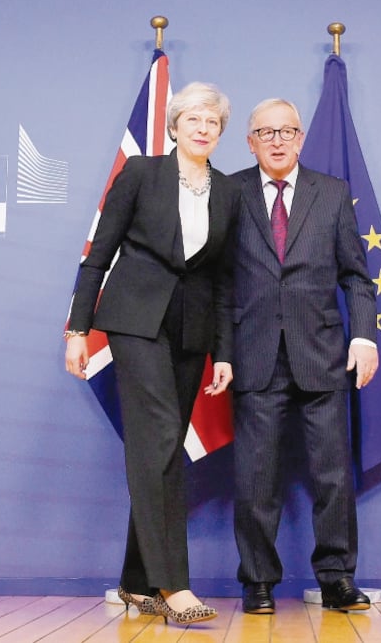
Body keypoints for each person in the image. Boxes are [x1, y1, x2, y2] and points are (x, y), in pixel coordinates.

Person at [64, 82, 239, 626]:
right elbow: (99, 254)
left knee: (160, 448)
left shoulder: (229, 191)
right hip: (133, 323)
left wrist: (224, 353)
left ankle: (136, 582)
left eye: (212, 121)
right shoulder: (142, 173)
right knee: (159, 439)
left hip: (192, 333)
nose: (203, 128)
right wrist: (77, 329)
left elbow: (223, 280)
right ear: (175, 124)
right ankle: (174, 585)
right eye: (194, 118)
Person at [227, 98, 378, 614]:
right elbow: (219, 283)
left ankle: (337, 578)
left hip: (323, 354)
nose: (276, 140)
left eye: (287, 130)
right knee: (255, 478)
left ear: (300, 138)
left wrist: (364, 337)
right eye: (265, 132)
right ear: (249, 142)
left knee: (332, 475)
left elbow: (356, 276)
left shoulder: (332, 194)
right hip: (254, 355)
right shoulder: (229, 193)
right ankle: (258, 582)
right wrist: (221, 352)